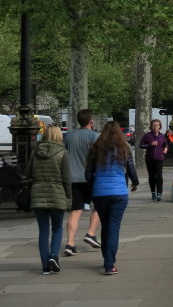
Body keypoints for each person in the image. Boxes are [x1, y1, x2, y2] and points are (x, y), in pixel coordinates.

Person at [85, 121, 139, 276]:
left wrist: (92, 189)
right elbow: (131, 169)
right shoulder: (124, 148)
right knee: (113, 227)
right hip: (119, 193)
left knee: (105, 226)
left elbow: (88, 173)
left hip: (100, 193)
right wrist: (135, 183)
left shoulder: (96, 149)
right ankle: (109, 263)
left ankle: (107, 258)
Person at [29, 125, 72, 275]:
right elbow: (66, 178)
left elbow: (28, 173)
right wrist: (69, 196)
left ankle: (45, 266)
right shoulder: (62, 152)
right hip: (57, 193)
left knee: (43, 230)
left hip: (38, 193)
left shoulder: (35, 151)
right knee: (57, 227)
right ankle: (54, 256)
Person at [63, 108, 101, 256]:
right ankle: (90, 233)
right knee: (98, 206)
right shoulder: (95, 136)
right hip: (90, 177)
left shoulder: (69, 137)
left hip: (72, 178)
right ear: (91, 121)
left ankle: (70, 243)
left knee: (76, 210)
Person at [139, 118, 167, 201]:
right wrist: (150, 144)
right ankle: (153, 193)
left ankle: (159, 194)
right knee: (151, 176)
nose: (155, 127)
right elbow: (141, 145)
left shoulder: (162, 136)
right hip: (150, 158)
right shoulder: (147, 135)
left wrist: (165, 148)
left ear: (159, 126)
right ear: (151, 126)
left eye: (157, 125)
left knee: (159, 175)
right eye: (153, 125)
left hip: (159, 158)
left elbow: (165, 144)